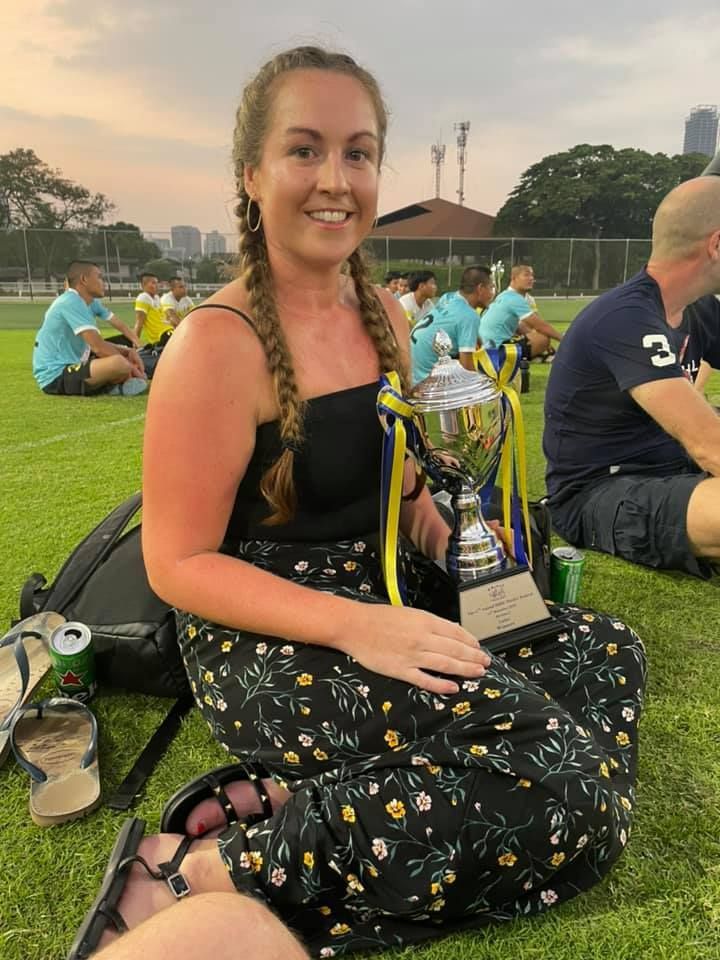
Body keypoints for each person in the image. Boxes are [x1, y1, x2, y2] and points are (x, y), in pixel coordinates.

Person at [70, 46, 646, 960]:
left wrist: (452, 532)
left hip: (386, 591)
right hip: (271, 629)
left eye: (359, 152)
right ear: (252, 175)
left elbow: (406, 484)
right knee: (571, 797)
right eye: (304, 150)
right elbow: (176, 564)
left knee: (604, 649)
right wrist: (353, 626)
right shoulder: (216, 344)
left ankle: (331, 802)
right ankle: (196, 870)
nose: (335, 180)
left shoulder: (383, 311)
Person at [543, 175, 720, 578]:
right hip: (601, 494)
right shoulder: (625, 318)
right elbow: (710, 446)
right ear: (716, 244)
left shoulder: (699, 309)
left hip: (675, 471)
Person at [32, 261, 147, 397]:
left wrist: (127, 351)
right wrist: (133, 369)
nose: (103, 282)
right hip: (55, 375)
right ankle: (114, 386)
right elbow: (98, 347)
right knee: (119, 363)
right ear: (84, 279)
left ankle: (115, 383)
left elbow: (95, 344)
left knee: (120, 358)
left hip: (72, 366)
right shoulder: (70, 302)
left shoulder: (87, 302)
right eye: (99, 277)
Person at [410, 264, 495, 382]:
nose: (492, 293)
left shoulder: (448, 297)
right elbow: (467, 370)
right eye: (491, 288)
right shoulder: (469, 315)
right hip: (425, 381)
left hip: (410, 371)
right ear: (480, 288)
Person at [479, 265, 563, 358]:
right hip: (496, 349)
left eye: (532, 276)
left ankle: (537, 356)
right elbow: (539, 325)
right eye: (526, 275)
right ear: (514, 278)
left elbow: (519, 327)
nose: (531, 278)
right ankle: (528, 358)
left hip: (487, 346)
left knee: (530, 332)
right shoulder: (514, 298)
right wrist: (563, 339)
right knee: (543, 339)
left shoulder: (504, 295)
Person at [134, 273, 174, 345]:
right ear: (143, 285)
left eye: (157, 282)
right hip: (161, 336)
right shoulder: (143, 298)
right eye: (153, 283)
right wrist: (135, 343)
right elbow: (139, 323)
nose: (157, 285)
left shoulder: (156, 298)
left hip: (169, 331)